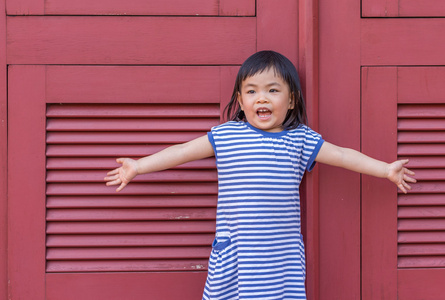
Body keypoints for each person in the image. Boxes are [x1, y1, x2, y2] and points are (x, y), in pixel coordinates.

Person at [104, 51, 416, 300]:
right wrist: (139, 165)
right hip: (237, 249)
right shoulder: (226, 136)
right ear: (241, 101)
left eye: (272, 90)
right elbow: (183, 151)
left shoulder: (300, 139)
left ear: (291, 99)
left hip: (279, 252)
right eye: (252, 91)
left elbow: (343, 155)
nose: (262, 98)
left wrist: (385, 169)